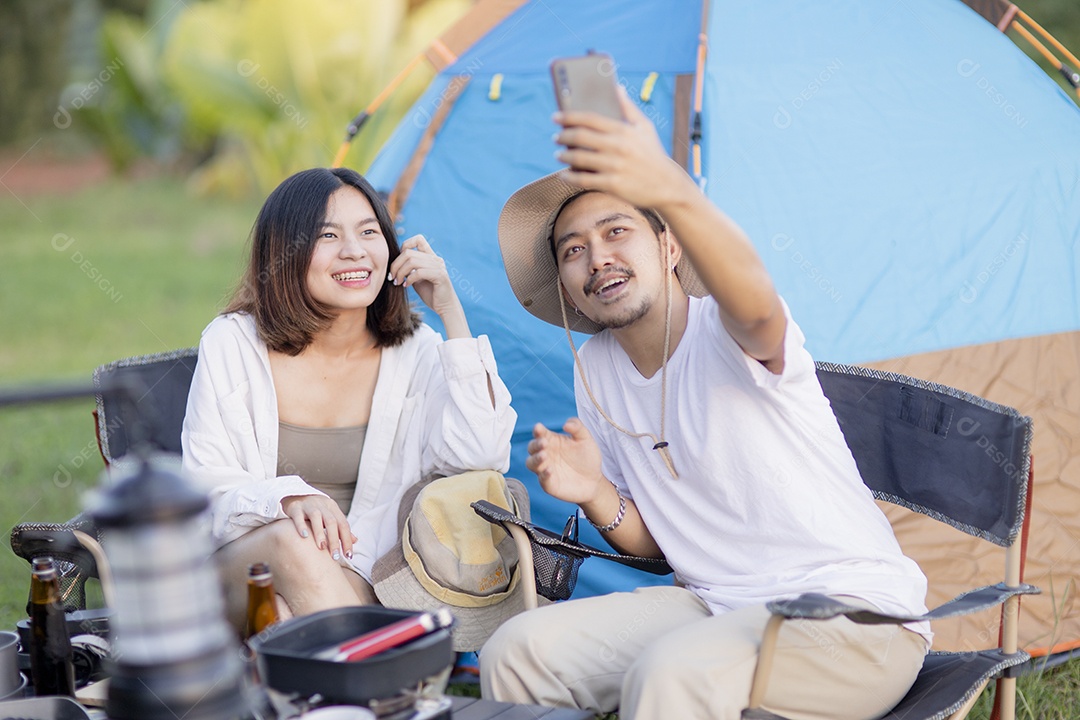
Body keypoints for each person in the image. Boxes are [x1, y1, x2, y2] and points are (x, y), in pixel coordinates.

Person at [481, 87, 929, 719]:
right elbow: (662, 548)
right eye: (573, 250)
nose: (598, 257)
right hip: (715, 606)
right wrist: (595, 494)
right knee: (516, 651)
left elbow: (758, 306)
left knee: (673, 677)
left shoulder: (727, 328)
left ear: (669, 249)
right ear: (570, 292)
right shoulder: (597, 371)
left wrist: (667, 185)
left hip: (852, 614)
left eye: (617, 231)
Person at [181, 167, 516, 629]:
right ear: (285, 252)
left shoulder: (415, 352)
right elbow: (204, 489)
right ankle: (389, 692)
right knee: (292, 544)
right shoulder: (233, 344)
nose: (354, 251)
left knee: (280, 618)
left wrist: (451, 312)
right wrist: (287, 499)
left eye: (368, 232)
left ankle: (345, 689)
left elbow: (483, 454)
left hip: (359, 570)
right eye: (328, 235)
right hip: (242, 565)